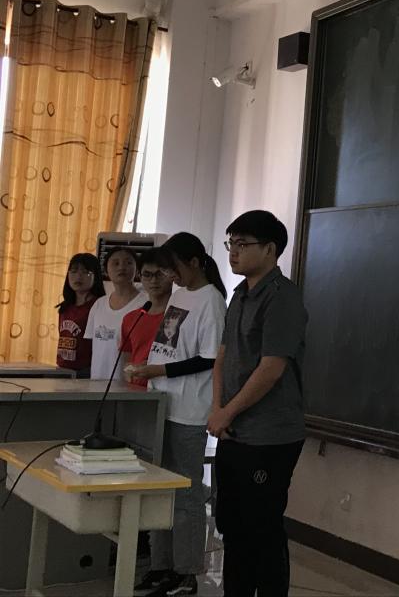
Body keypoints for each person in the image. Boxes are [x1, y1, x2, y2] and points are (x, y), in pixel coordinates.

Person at [208, 210, 307, 597]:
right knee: (231, 525)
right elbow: (222, 358)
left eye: (242, 244)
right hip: (234, 431)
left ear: (270, 249)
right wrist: (218, 411)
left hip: (270, 436)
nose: (233, 251)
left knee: (261, 527)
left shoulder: (282, 298)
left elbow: (271, 369)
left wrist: (227, 412)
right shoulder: (239, 295)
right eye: (230, 243)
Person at [131, 233, 226, 597]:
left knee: (185, 494)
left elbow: (209, 358)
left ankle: (185, 573)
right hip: (161, 404)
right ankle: (160, 566)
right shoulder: (180, 295)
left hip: (188, 411)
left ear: (195, 262)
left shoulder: (211, 300)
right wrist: (152, 369)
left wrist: (160, 371)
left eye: (174, 269)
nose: (171, 276)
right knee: (158, 490)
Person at [84, 247, 147, 382]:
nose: (122, 267)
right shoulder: (99, 304)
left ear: (137, 269)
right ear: (106, 270)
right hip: (97, 381)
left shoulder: (146, 304)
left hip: (129, 383)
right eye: (115, 263)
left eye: (128, 263)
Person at [120, 248, 174, 388]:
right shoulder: (131, 319)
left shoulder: (180, 316)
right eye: (147, 274)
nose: (154, 280)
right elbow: (127, 360)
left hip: (168, 388)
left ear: (171, 274)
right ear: (140, 276)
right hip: (136, 390)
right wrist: (130, 371)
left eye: (160, 274)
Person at [55, 253, 105, 376]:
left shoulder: (99, 306)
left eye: (85, 272)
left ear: (96, 276)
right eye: (73, 271)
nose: (78, 276)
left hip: (86, 371)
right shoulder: (65, 307)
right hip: (62, 368)